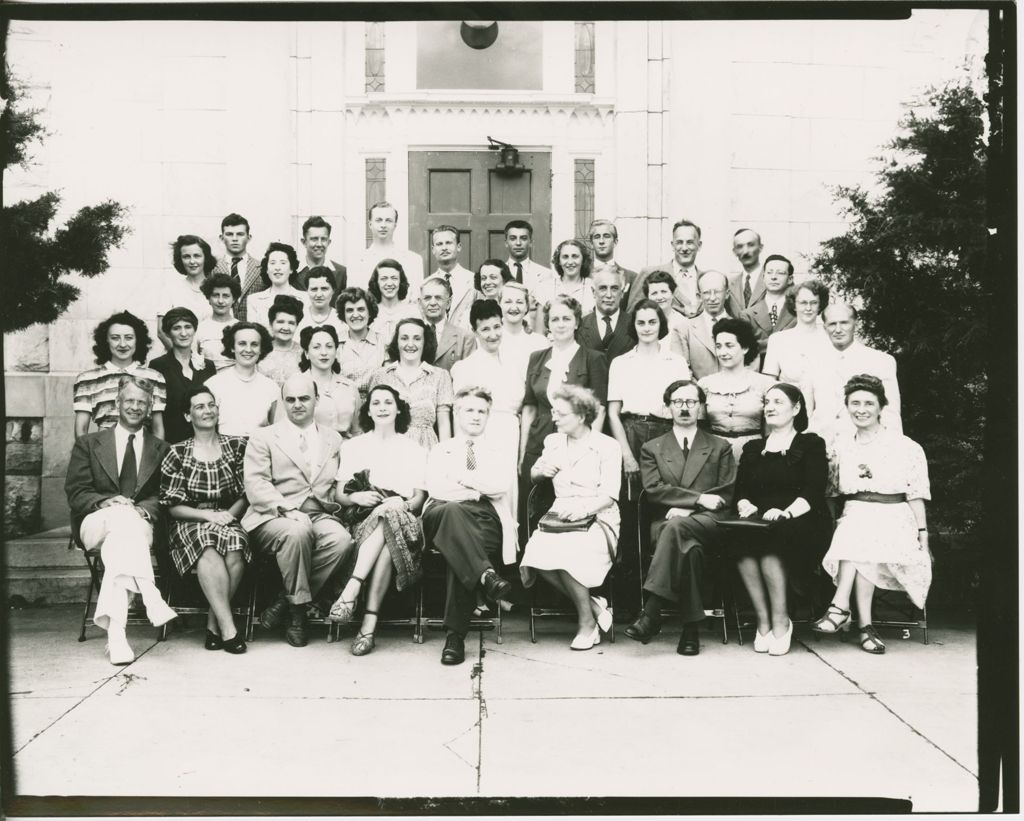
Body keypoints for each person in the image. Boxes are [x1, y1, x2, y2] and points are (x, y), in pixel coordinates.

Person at [813, 375, 931, 654]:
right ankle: (865, 627)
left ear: (881, 407)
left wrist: (923, 534)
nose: (861, 409)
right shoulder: (840, 446)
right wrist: (832, 522)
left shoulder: (905, 446)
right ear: (846, 407)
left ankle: (840, 607)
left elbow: (915, 494)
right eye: (855, 403)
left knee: (858, 535)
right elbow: (831, 492)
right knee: (858, 531)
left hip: (895, 517)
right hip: (855, 516)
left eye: (869, 403)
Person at [65, 375, 175, 664]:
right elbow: (76, 492)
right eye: (130, 401)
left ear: (150, 409)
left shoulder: (161, 449)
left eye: (142, 402)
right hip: (94, 522)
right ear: (118, 403)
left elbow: (165, 495)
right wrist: (104, 501)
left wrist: (141, 509)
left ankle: (117, 635)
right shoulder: (89, 444)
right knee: (121, 520)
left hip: (139, 524)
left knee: (123, 535)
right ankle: (149, 593)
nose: (135, 407)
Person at [625, 379, 737, 655]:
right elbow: (653, 489)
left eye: (691, 402)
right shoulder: (653, 448)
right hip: (668, 525)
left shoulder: (720, 446)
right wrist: (698, 498)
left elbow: (725, 491)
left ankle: (651, 611)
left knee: (678, 528)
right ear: (668, 407)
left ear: (701, 407)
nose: (684, 408)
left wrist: (691, 507)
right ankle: (691, 630)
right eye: (678, 402)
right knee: (690, 551)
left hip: (710, 523)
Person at [242, 373, 354, 647]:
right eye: (290, 399)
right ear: (282, 402)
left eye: (304, 398)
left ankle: (284, 599)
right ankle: (297, 615)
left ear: (317, 400)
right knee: (297, 531)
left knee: (342, 541)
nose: (297, 404)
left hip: (319, 513)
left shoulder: (334, 439)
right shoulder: (264, 436)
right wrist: (288, 509)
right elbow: (255, 484)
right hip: (272, 515)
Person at [730, 383, 831, 655]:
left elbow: (813, 489)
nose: (770, 407)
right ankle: (762, 619)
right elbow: (741, 490)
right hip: (760, 519)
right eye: (767, 402)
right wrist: (745, 505)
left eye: (778, 402)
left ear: (796, 408)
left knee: (772, 539)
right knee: (740, 538)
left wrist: (786, 512)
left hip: (802, 519)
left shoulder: (810, 443)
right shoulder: (753, 448)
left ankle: (780, 619)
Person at [329, 385, 428, 656]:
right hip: (362, 522)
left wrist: (403, 503)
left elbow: (419, 498)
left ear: (398, 408)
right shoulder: (353, 446)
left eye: (388, 402)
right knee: (385, 531)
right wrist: (358, 497)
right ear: (369, 410)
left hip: (403, 520)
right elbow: (340, 495)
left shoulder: (414, 449)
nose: (382, 407)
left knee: (390, 513)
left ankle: (352, 589)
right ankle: (368, 627)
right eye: (376, 403)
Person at [521, 385, 621, 651]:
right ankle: (593, 606)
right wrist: (541, 472)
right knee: (535, 555)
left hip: (599, 515)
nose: (554, 418)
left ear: (581, 415)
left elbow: (610, 494)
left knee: (570, 552)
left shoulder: (607, 446)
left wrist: (583, 510)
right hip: (559, 513)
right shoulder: (553, 442)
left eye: (561, 414)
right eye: (554, 412)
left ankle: (586, 624)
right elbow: (534, 476)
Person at [423, 387, 514, 666]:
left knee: (458, 549)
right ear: (457, 413)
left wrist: (462, 480)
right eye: (469, 410)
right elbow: (437, 487)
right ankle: (485, 575)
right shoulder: (441, 449)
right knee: (451, 512)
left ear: (488, 416)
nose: (475, 416)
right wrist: (477, 488)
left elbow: (500, 486)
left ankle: (455, 638)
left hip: (484, 518)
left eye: (481, 411)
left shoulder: (498, 450)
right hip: (440, 514)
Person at [159, 385, 250, 654]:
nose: (207, 410)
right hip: (190, 520)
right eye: (199, 406)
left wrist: (226, 516)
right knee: (207, 545)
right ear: (188, 416)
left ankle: (213, 624)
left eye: (211, 404)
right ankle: (230, 629)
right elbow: (173, 507)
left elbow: (248, 493)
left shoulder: (237, 446)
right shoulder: (177, 452)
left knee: (234, 545)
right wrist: (206, 515)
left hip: (230, 515)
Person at [451, 299, 524, 547]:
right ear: (475, 331)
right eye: (485, 329)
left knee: (509, 490)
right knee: (484, 487)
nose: (493, 334)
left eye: (496, 326)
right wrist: (464, 449)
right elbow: (460, 415)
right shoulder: (466, 367)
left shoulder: (515, 362)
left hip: (510, 433)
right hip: (482, 434)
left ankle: (509, 553)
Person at [519, 295, 609, 481]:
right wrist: (523, 453)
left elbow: (599, 410)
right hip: (538, 443)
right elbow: (529, 408)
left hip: (577, 442)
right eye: (555, 319)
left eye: (567, 319)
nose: (561, 324)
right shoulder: (536, 358)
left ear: (576, 323)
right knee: (533, 501)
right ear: (548, 324)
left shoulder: (593, 358)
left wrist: (590, 452)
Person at [607, 300, 691, 488]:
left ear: (661, 324)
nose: (646, 328)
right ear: (633, 325)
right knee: (633, 496)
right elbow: (613, 413)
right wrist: (626, 455)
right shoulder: (621, 363)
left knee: (666, 494)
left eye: (652, 322)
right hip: (632, 434)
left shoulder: (676, 362)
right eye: (641, 323)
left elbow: (684, 407)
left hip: (667, 433)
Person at [804, 303, 902, 441]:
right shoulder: (812, 361)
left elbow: (891, 413)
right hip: (820, 446)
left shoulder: (881, 361)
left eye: (844, 323)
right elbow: (806, 411)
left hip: (862, 445)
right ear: (824, 327)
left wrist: (891, 447)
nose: (838, 330)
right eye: (832, 324)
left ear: (856, 323)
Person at [73, 311, 167, 439]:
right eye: (115, 338)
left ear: (137, 340)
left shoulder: (154, 378)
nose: (122, 344)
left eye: (128, 337)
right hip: (103, 450)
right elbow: (81, 430)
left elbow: (158, 429)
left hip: (142, 449)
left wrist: (155, 457)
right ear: (106, 341)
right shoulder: (87, 380)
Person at [367, 317, 454, 449]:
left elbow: (444, 425)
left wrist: (445, 455)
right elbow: (371, 421)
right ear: (396, 342)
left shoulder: (440, 376)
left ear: (425, 342)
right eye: (404, 338)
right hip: (388, 448)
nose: (410, 344)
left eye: (417, 338)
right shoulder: (380, 375)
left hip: (426, 448)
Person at [698, 317, 775, 460]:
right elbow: (700, 426)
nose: (722, 352)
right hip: (714, 454)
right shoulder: (705, 384)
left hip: (754, 454)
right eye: (718, 346)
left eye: (729, 345)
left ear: (745, 348)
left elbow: (771, 428)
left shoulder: (764, 384)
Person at [148, 307, 217, 445]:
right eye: (177, 328)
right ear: (168, 333)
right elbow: (156, 414)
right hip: (172, 442)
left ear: (194, 330)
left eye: (188, 327)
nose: (183, 333)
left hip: (205, 443)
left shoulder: (208, 366)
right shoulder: (158, 366)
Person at [204, 322, 279, 437]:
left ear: (261, 349)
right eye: (242, 344)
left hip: (259, 451)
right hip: (224, 450)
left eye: (254, 344)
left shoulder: (271, 387)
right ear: (232, 347)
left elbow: (276, 430)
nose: (248, 350)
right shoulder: (214, 384)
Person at [761, 279, 832, 387]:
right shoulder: (778, 340)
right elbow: (769, 381)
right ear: (794, 305)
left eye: (813, 303)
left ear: (820, 305)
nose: (808, 308)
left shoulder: (830, 337)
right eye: (803, 303)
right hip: (789, 399)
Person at [627, 219, 703, 316]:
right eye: (679, 242)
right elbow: (632, 315)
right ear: (672, 245)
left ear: (699, 245)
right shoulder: (649, 273)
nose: (684, 248)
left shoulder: (707, 280)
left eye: (690, 242)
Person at [297, 325, 360, 437]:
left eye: (329, 346)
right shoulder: (295, 385)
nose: (324, 352)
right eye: (316, 347)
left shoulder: (350, 387)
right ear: (306, 353)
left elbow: (358, 431)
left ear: (336, 351)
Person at [352, 201, 425, 295]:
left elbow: (416, 299)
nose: (383, 225)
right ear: (370, 224)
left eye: (388, 220)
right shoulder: (357, 261)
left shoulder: (413, 260)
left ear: (395, 225)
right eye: (378, 220)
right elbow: (352, 300)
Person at [157, 234, 215, 350]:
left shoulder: (217, 289)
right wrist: (183, 358)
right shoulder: (171, 289)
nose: (192, 261)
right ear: (180, 259)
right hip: (179, 360)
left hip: (213, 359)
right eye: (186, 257)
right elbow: (161, 331)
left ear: (206, 258)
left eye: (197, 256)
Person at [740, 254, 796, 362]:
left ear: (790, 279)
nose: (773, 277)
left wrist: (762, 344)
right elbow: (747, 350)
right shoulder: (747, 315)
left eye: (780, 273)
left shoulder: (798, 312)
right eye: (769, 272)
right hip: (758, 373)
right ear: (763, 277)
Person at [679, 271, 733, 380]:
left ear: (727, 294)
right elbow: (681, 369)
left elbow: (750, 367)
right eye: (707, 292)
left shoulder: (742, 327)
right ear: (699, 296)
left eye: (717, 292)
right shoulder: (683, 329)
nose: (712, 298)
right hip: (699, 394)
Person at [212, 213, 263, 322]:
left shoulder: (262, 268)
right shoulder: (212, 268)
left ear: (249, 238)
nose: (235, 239)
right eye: (229, 234)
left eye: (240, 234)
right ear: (221, 238)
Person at [419, 274, 476, 372]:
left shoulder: (465, 338)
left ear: (448, 303)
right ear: (420, 303)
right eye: (427, 298)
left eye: (438, 298)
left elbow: (469, 377)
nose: (432, 303)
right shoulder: (410, 335)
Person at [335, 287, 386, 395]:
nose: (355, 315)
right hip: (344, 402)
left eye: (361, 309)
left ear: (370, 312)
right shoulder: (335, 342)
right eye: (349, 310)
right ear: (343, 314)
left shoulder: (383, 342)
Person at [245, 242, 307, 330]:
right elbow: (254, 335)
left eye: (283, 263)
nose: (277, 267)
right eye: (273, 263)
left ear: (291, 269)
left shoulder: (306, 299)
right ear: (267, 269)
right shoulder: (254, 300)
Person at [577, 267, 634, 363]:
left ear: (622, 292)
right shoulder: (579, 326)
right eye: (603, 288)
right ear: (593, 292)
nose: (609, 295)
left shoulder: (634, 325)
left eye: (614, 288)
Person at [535, 239, 595, 324]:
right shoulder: (545, 287)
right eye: (565, 257)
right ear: (559, 261)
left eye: (575, 256)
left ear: (583, 260)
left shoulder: (593, 287)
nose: (570, 262)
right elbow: (539, 332)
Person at [429, 225, 476, 330]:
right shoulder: (426, 284)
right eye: (439, 244)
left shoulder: (473, 281)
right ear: (433, 249)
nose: (444, 248)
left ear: (458, 246)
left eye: (449, 243)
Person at [367, 259, 419, 346]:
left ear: (400, 281)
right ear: (377, 282)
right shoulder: (369, 312)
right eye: (384, 279)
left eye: (394, 278)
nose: (389, 283)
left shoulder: (413, 312)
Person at [196, 273, 240, 370]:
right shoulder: (200, 328)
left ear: (234, 299)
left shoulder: (241, 328)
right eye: (216, 295)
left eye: (226, 296)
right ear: (209, 299)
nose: (220, 301)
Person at [257, 295, 304, 386]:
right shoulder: (260, 351)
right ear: (271, 323)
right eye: (280, 322)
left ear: (296, 325)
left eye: (291, 323)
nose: (286, 328)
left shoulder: (304, 353)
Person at [293, 216, 347, 294]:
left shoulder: (341, 273)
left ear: (329, 242)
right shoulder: (293, 272)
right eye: (314, 239)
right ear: (304, 242)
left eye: (323, 239)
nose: (319, 244)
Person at [499, 282, 549, 365]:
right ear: (500, 305)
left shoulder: (540, 342)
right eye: (508, 302)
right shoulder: (489, 341)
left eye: (519, 302)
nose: (514, 307)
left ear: (526, 307)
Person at [588, 218, 637, 300]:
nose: (601, 241)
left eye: (606, 236)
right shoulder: (582, 275)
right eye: (597, 237)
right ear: (591, 244)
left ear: (615, 242)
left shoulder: (631, 277)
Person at [643, 270, 688, 357]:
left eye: (664, 291)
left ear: (672, 294)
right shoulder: (642, 322)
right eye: (654, 293)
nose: (659, 297)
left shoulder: (683, 323)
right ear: (647, 297)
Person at [504, 219, 554, 294]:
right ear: (506, 243)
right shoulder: (498, 273)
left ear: (530, 242)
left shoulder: (546, 274)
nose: (518, 243)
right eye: (513, 238)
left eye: (523, 238)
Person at [297, 267, 347, 338]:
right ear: (307, 291)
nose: (319, 295)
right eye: (314, 289)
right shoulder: (298, 317)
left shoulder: (341, 320)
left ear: (333, 290)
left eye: (324, 289)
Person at [727, 228, 766, 312]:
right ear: (734, 252)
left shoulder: (774, 280)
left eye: (751, 245)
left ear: (760, 248)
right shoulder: (729, 285)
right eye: (740, 246)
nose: (745, 251)